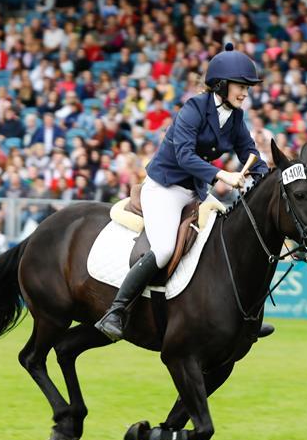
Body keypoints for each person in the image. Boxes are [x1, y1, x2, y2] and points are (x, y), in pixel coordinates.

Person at [95, 44, 272, 341]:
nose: (245, 93)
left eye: (247, 87)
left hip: (195, 192)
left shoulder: (236, 118)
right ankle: (117, 310)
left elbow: (249, 152)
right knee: (164, 249)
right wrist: (222, 174)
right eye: (241, 86)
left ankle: (246, 319)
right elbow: (185, 156)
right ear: (222, 85)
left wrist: (268, 177)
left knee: (229, 239)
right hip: (164, 188)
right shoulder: (193, 109)